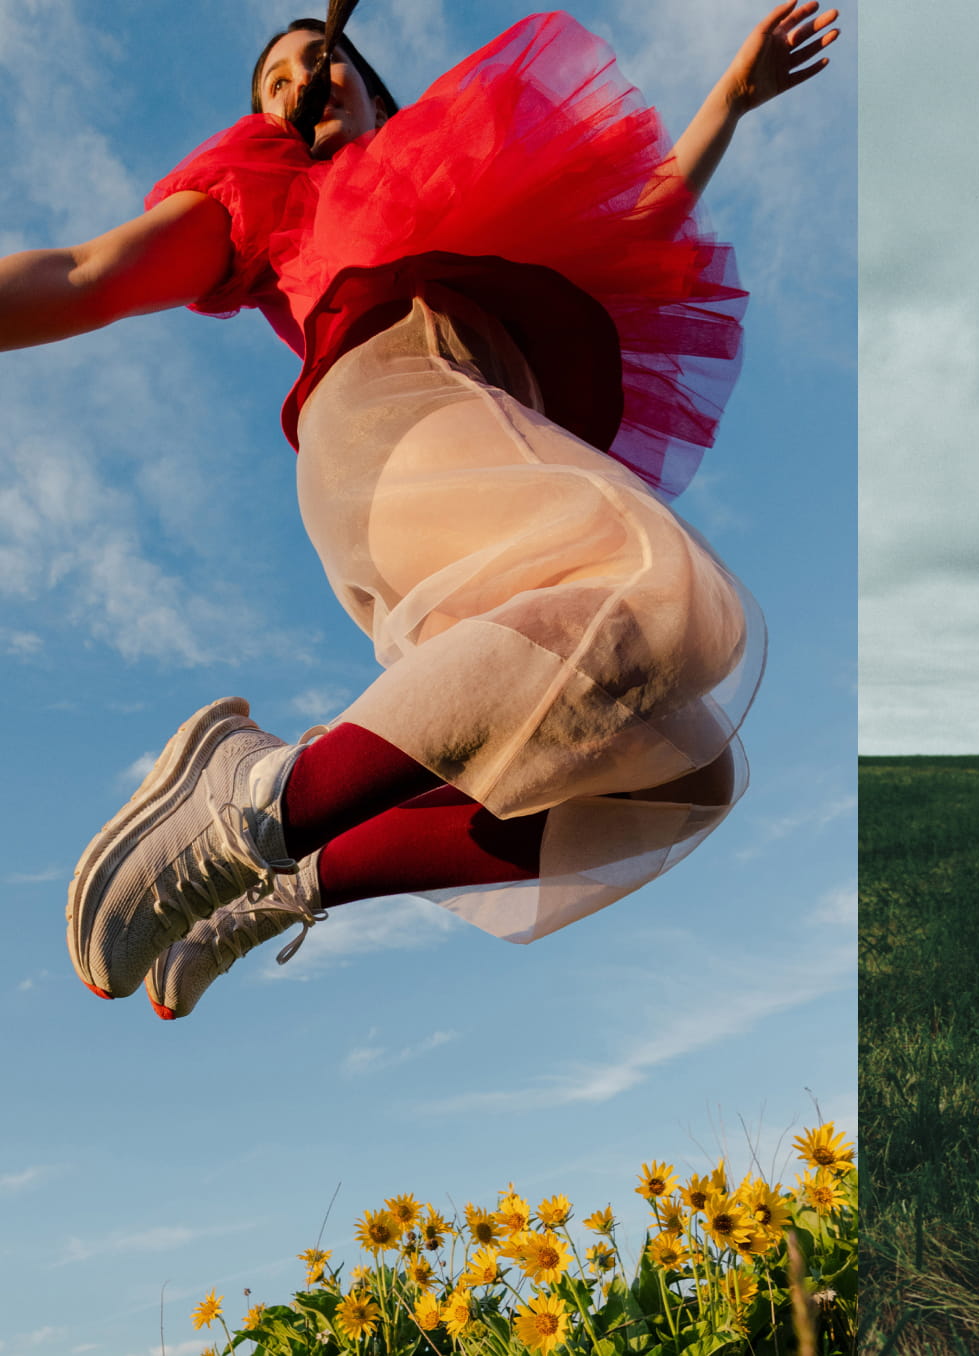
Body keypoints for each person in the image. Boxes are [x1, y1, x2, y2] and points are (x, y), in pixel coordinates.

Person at [3, 4, 840, 1018]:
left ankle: (290, 880)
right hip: (390, 413)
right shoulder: (269, 187)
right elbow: (86, 274)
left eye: (320, 60)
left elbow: (631, 227)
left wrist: (730, 104)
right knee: (662, 602)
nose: (302, 83)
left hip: (466, 445)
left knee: (681, 778)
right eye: (275, 83)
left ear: (370, 88)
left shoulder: (457, 176)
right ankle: (251, 803)